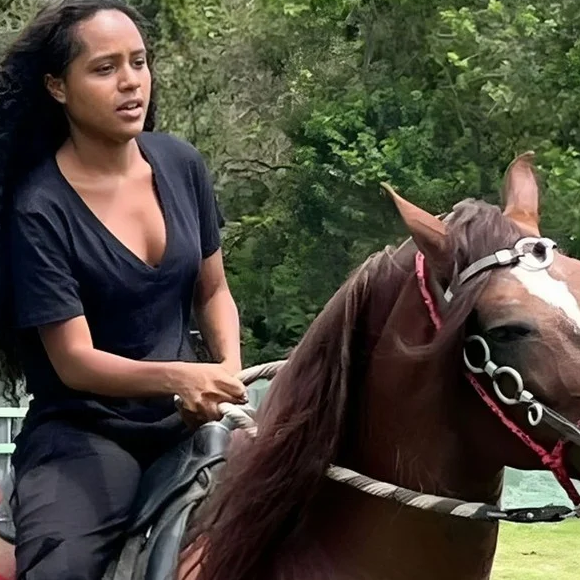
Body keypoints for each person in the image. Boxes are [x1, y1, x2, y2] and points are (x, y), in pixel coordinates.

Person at [0, 0, 248, 578]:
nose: (131, 81)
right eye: (105, 68)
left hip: (192, 420)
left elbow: (213, 291)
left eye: (138, 62)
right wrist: (183, 377)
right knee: (63, 569)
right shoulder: (38, 208)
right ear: (58, 87)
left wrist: (227, 371)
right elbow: (76, 362)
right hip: (85, 437)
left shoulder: (182, 164)